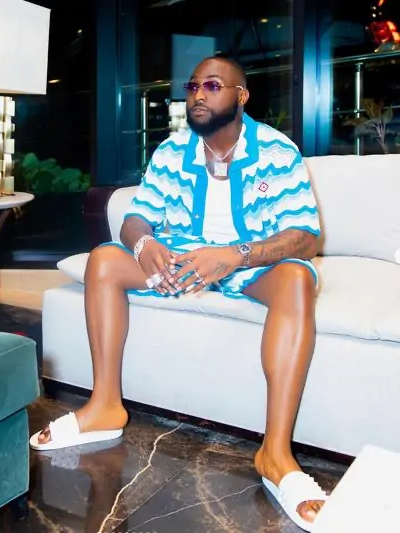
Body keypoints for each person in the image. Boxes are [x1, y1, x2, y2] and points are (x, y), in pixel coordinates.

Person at [30, 56, 327, 531]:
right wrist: (144, 245)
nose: (198, 95)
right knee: (103, 260)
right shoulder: (172, 151)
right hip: (181, 259)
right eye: (192, 87)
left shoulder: (277, 151)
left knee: (297, 279)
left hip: (250, 261)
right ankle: (105, 405)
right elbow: (136, 218)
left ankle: (275, 453)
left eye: (212, 85)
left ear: (241, 96)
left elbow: (305, 237)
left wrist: (234, 255)